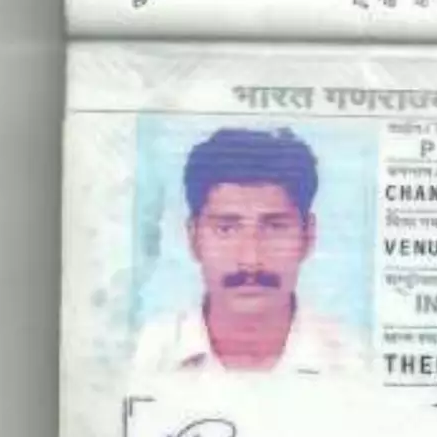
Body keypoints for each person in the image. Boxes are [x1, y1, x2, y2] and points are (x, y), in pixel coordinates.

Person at [132, 126, 355, 377]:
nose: (250, 261)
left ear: (308, 236)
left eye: (275, 228)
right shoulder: (141, 360)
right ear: (193, 238)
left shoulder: (355, 365)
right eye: (226, 229)